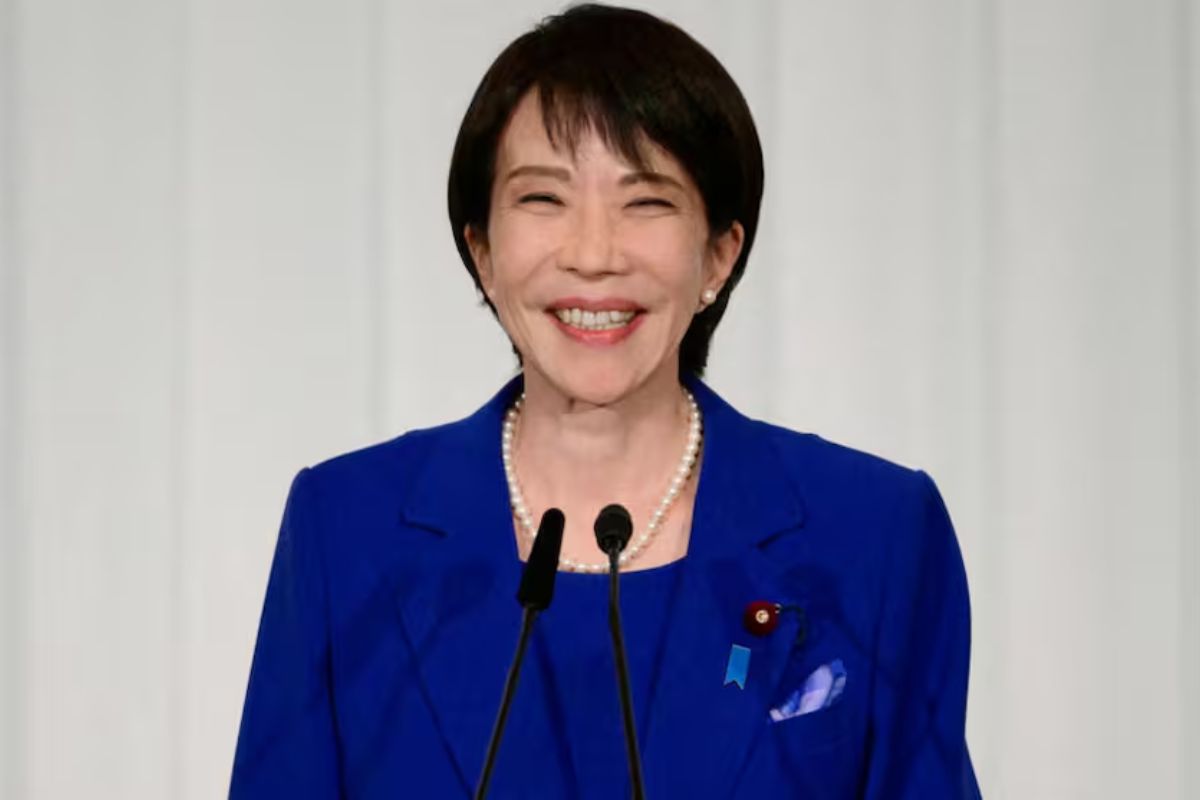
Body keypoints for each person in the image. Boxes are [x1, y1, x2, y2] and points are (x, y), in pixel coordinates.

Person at [230, 4, 982, 798]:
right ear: (482, 251)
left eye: (646, 201)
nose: (594, 255)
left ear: (719, 254)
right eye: (543, 199)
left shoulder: (875, 534)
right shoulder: (347, 530)